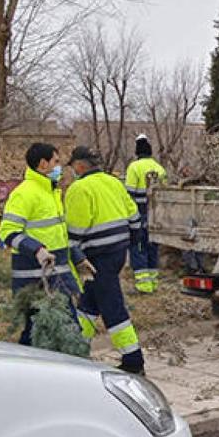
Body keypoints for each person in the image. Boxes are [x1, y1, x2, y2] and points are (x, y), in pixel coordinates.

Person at [0, 143, 96, 346]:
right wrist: (37, 249)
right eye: (56, 162)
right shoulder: (24, 194)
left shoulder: (51, 193)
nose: (60, 167)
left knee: (62, 331)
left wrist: (78, 258)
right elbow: (7, 231)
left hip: (58, 280)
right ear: (43, 164)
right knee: (36, 335)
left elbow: (60, 235)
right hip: (35, 281)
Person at [65, 146, 146, 375]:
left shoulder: (79, 189)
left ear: (80, 165)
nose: (71, 170)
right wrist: (132, 243)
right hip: (117, 253)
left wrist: (74, 254)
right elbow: (134, 218)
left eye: (72, 166)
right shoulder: (114, 182)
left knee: (112, 307)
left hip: (95, 257)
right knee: (89, 304)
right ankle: (76, 351)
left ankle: (133, 360)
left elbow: (74, 230)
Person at [125, 134, 168, 294]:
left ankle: (143, 286)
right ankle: (153, 283)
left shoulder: (134, 168)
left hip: (139, 215)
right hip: (157, 216)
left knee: (139, 247)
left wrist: (130, 218)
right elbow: (165, 194)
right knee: (152, 248)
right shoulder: (159, 168)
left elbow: (128, 195)